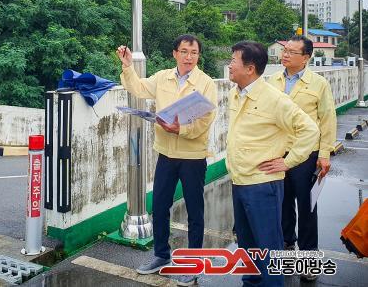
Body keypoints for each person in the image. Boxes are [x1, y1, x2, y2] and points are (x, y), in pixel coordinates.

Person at [117, 34, 217, 287]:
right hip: (166, 153)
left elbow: (206, 120)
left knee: (195, 211)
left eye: (193, 53)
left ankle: (193, 264)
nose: (188, 57)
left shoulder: (206, 83)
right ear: (175, 53)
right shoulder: (163, 77)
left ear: (198, 56)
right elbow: (138, 88)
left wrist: (181, 129)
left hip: (192, 156)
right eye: (184, 51)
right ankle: (161, 255)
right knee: (160, 206)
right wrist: (128, 66)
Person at [226, 41, 319, 287]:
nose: (229, 65)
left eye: (233, 61)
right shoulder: (235, 93)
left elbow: (310, 130)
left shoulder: (274, 98)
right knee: (247, 247)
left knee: (268, 249)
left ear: (250, 68)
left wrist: (288, 161)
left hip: (262, 185)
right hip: (239, 180)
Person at [268, 36, 336, 282]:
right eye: (285, 50)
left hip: (306, 153)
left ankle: (308, 257)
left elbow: (327, 120)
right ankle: (287, 245)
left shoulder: (318, 84)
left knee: (307, 205)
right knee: (282, 201)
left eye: (291, 52)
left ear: (306, 57)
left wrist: (325, 154)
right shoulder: (273, 81)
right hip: (279, 152)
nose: (285, 55)